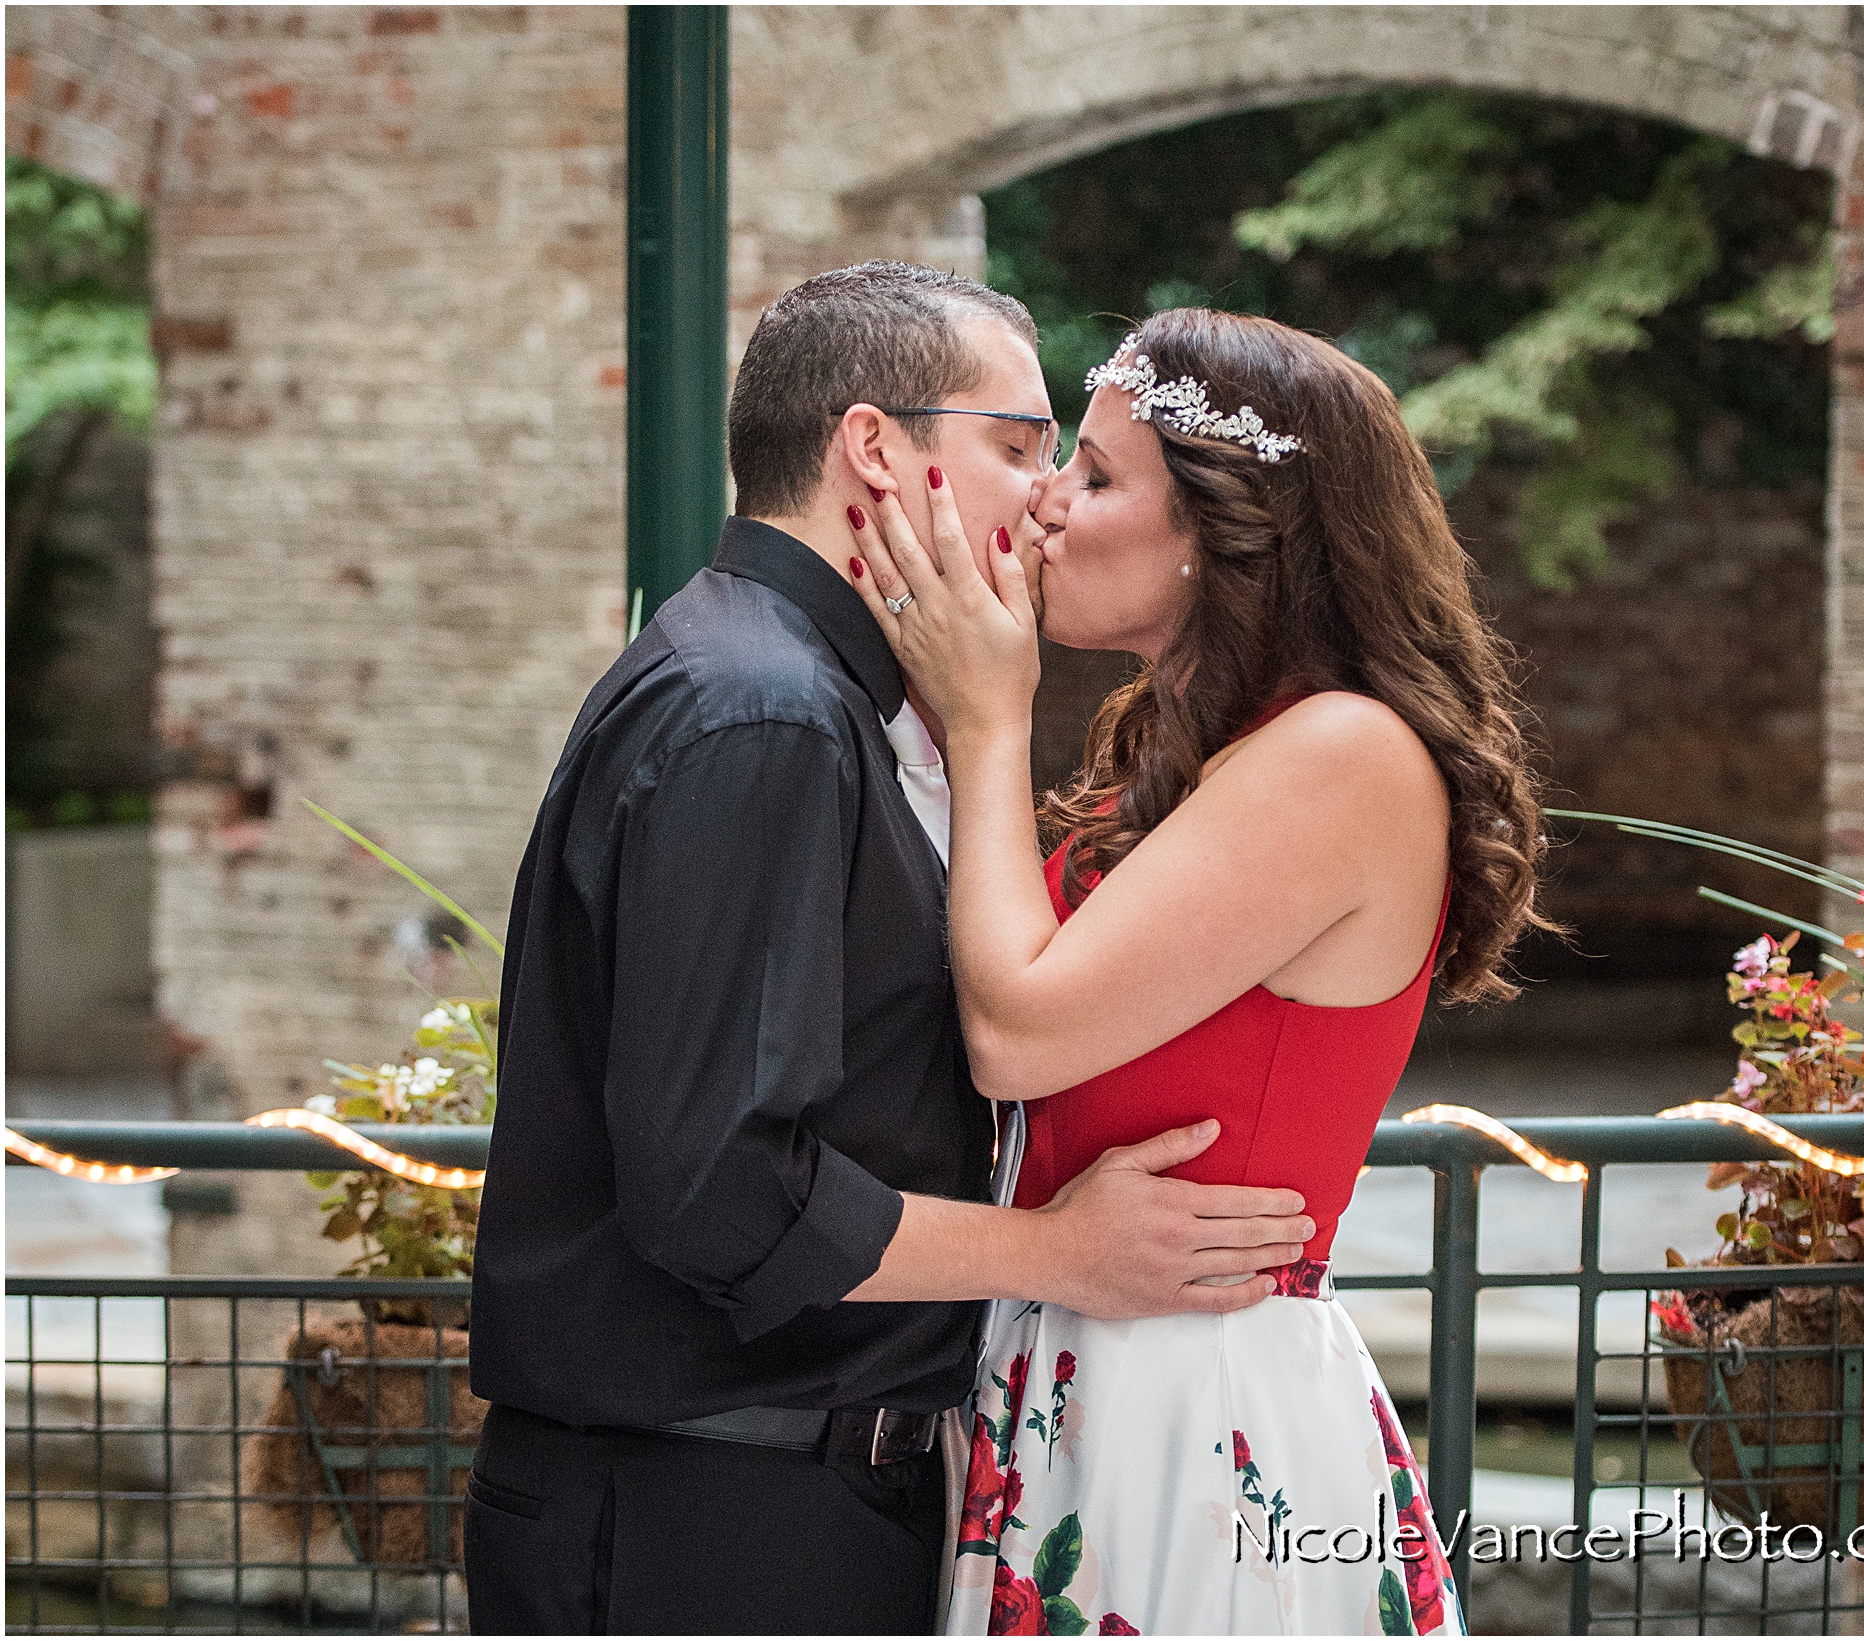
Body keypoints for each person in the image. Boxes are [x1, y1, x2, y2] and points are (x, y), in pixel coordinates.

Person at [462, 266, 1316, 1636]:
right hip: (715, 1520)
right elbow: (722, 1194)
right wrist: (1055, 1251)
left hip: (748, 1497)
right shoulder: (771, 713)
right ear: (876, 448)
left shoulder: (781, 685)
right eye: (1018, 446)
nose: (1044, 499)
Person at [844, 308, 1552, 1635]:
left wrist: (994, 716)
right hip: (1071, 1361)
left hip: (1194, 1403)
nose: (1047, 503)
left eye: (1099, 475)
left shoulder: (1343, 752)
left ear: (1222, 540)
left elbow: (1016, 1028)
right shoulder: (1200, 756)